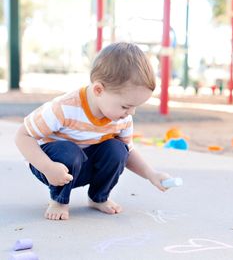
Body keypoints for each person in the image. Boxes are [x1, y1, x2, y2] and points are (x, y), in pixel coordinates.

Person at [15, 42, 171, 221]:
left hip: (84, 166)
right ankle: (59, 200)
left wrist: (152, 174)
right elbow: (22, 136)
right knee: (69, 151)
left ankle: (99, 197)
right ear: (98, 90)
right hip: (52, 167)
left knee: (118, 149)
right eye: (126, 106)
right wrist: (47, 167)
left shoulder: (122, 118)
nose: (131, 113)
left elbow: (128, 152)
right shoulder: (63, 108)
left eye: (135, 107)